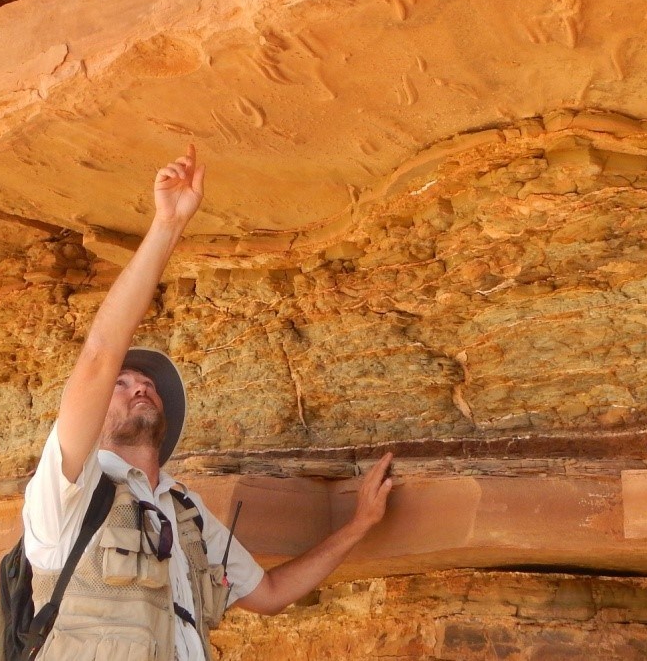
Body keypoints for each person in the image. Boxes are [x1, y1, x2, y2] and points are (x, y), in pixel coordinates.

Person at [22, 145, 393, 660]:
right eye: (121, 384)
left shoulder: (186, 513)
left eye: (144, 383)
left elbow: (269, 595)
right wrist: (168, 224)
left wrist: (359, 526)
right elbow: (100, 353)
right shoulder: (68, 494)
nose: (138, 387)